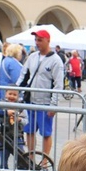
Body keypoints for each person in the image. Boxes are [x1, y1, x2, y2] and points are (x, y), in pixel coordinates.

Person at [16, 29, 64, 159]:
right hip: (30, 101)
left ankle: (44, 159)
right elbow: (23, 76)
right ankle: (31, 157)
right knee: (29, 131)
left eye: (40, 40)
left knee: (46, 133)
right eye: (36, 40)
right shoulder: (32, 57)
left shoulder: (56, 60)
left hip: (45, 103)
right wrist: (16, 90)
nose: (37, 43)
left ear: (48, 41)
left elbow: (58, 84)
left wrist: (53, 105)